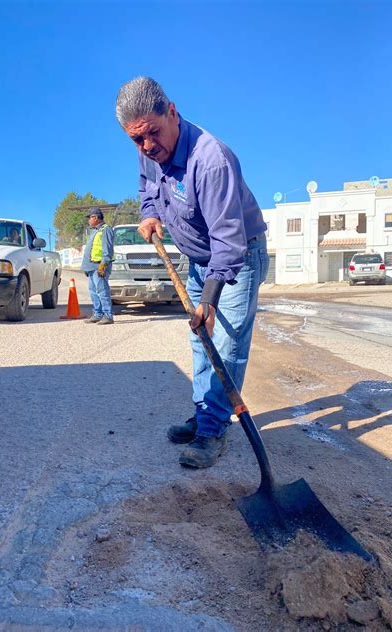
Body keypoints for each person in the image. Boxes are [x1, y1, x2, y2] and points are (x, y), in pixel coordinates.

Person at [116, 77, 269, 468]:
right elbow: (147, 187)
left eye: (153, 132)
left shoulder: (211, 160)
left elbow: (229, 241)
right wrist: (149, 213)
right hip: (198, 258)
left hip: (235, 259)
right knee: (201, 341)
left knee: (226, 344)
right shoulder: (149, 151)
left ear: (172, 113)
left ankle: (213, 428)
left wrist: (210, 299)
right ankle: (206, 413)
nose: (147, 145)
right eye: (137, 140)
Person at [81, 207, 115, 325]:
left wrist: (103, 265)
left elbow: (108, 250)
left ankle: (108, 315)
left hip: (99, 267)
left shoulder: (106, 230)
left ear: (95, 217)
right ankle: (97, 314)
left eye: (89, 218)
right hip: (91, 267)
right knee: (93, 291)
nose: (88, 221)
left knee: (102, 291)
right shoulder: (95, 231)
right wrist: (86, 267)